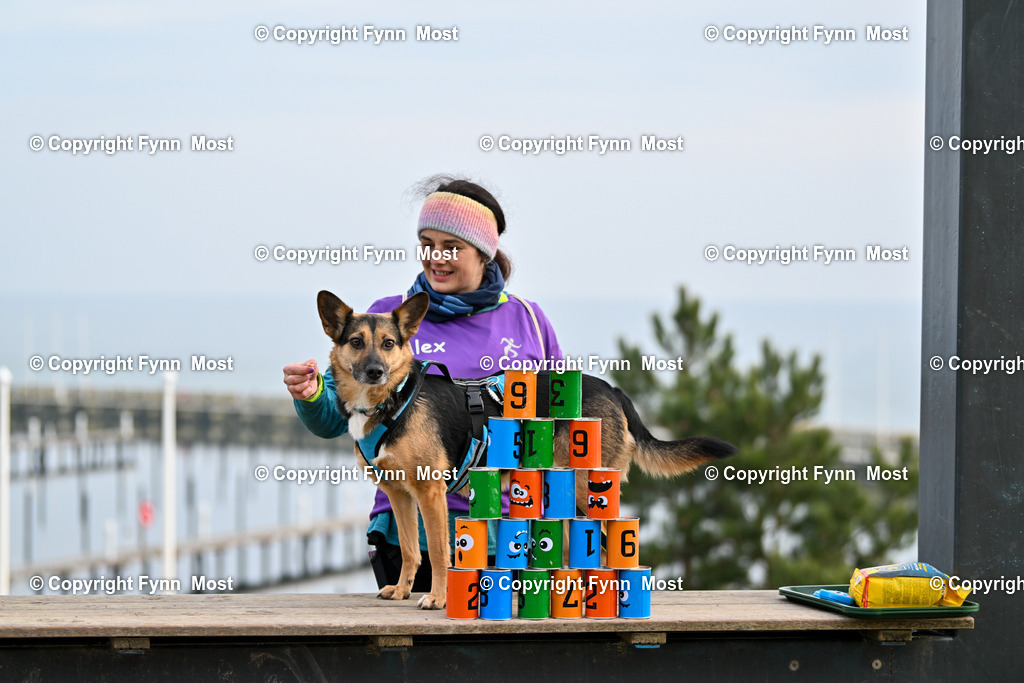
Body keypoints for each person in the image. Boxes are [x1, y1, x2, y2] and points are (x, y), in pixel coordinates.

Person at [282, 176, 562, 590]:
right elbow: (333, 418)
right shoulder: (381, 321)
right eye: (427, 243)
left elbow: (560, 425)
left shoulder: (530, 322)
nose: (437, 257)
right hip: (406, 539)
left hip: (509, 532)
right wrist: (309, 394)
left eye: (452, 246)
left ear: (484, 253)